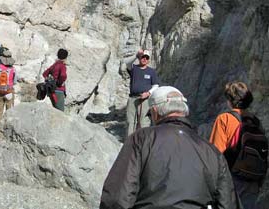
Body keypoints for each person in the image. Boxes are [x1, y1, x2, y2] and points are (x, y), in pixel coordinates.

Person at [100, 86, 239, 209]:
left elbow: (117, 198)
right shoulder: (211, 151)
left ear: (155, 112)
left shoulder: (141, 139)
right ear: (185, 112)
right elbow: (228, 203)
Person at [210, 82, 266, 209]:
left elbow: (216, 153)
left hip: (232, 179)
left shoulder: (224, 119)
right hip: (253, 180)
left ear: (230, 100)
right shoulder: (256, 122)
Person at [124, 49, 159, 136]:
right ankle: (130, 142)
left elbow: (156, 85)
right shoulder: (134, 68)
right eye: (143, 57)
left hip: (145, 100)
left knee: (144, 122)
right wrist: (136, 55)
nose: (144, 59)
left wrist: (148, 93)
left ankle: (143, 141)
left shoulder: (151, 71)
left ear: (149, 60)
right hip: (132, 98)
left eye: (147, 58)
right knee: (130, 121)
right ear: (140, 58)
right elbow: (126, 62)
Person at [0, 48, 17, 127]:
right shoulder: (13, 69)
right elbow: (15, 82)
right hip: (9, 91)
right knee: (10, 110)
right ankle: (9, 127)